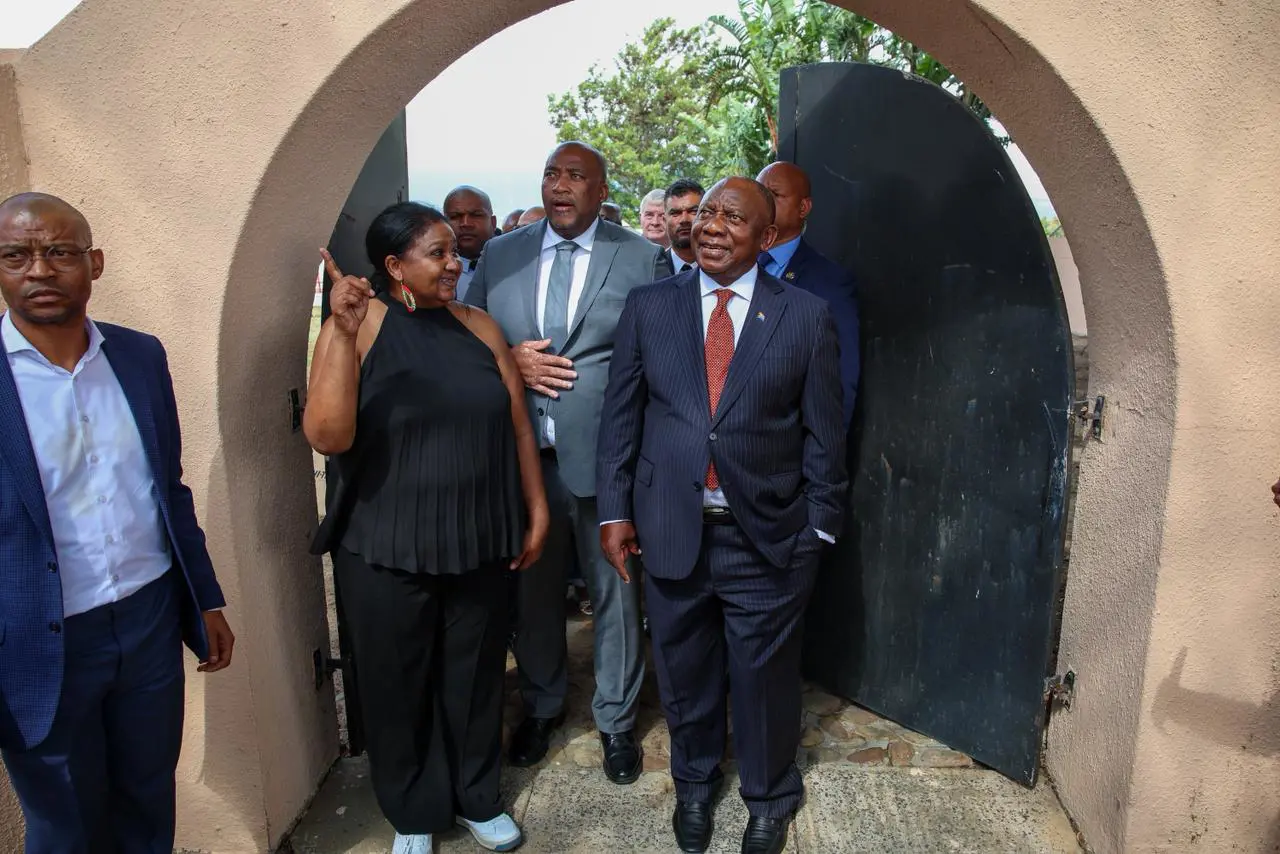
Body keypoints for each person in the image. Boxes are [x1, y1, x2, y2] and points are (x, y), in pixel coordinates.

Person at [597, 177, 848, 854]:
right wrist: (614, 511)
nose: (710, 226)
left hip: (767, 536)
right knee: (683, 672)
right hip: (670, 529)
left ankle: (769, 797)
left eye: (732, 218)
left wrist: (818, 528)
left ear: (766, 238)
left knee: (763, 680)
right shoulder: (651, 307)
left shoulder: (804, 315)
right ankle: (695, 784)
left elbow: (826, 434)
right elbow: (621, 414)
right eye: (706, 212)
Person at [306, 202, 549, 854]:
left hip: (479, 535)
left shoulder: (480, 326)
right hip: (384, 544)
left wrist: (537, 508)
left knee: (473, 678)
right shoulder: (361, 324)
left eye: (453, 251)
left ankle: (477, 795)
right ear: (394, 266)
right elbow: (327, 433)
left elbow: (518, 425)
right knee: (396, 678)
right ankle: (413, 809)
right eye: (437, 253)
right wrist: (337, 329)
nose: (454, 263)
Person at [0, 192, 236, 853]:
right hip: (38, 646)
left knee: (145, 804)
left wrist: (206, 598)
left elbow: (166, 488)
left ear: (94, 263)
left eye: (59, 252)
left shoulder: (139, 357)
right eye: (16, 255)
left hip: (148, 623)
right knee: (64, 829)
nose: (39, 270)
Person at [466, 141, 667, 784]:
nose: (560, 185)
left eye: (575, 175)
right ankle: (545, 704)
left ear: (601, 189)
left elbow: (664, 365)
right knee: (533, 595)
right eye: (551, 173)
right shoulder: (501, 255)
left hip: (609, 464)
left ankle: (614, 719)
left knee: (616, 592)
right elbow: (462, 333)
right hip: (523, 462)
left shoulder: (641, 257)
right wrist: (508, 362)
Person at [757, 161, 861, 423]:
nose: (763, 203)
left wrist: (822, 458)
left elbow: (837, 379)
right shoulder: (731, 267)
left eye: (775, 195)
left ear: (803, 208)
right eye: (759, 194)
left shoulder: (828, 282)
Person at [443, 185, 498, 302]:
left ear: (493, 223)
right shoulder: (433, 274)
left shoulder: (515, 265)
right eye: (455, 216)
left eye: (476, 215)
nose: (466, 223)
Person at [664, 178, 704, 273]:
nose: (684, 220)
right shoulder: (651, 269)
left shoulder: (726, 267)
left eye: (693, 211)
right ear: (664, 219)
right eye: (675, 213)